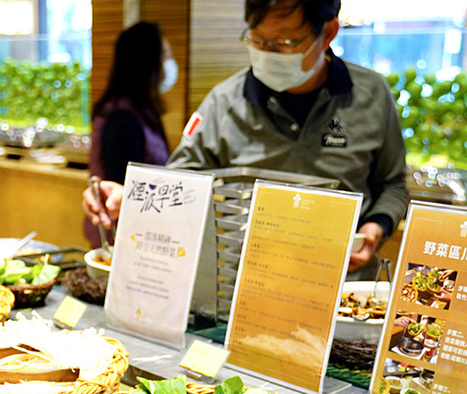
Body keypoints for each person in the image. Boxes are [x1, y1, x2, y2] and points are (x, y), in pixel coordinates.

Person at [83, 0, 408, 274]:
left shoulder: (371, 95)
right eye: (257, 40)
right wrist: (130, 197)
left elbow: (392, 185)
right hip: (244, 288)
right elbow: (179, 183)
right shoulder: (223, 102)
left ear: (327, 33)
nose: (267, 53)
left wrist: (376, 226)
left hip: (341, 289)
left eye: (284, 43)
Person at [83, 21, 173, 248]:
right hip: (124, 239)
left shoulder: (140, 111)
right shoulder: (123, 119)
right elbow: (121, 185)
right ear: (149, 64)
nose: (170, 64)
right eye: (166, 55)